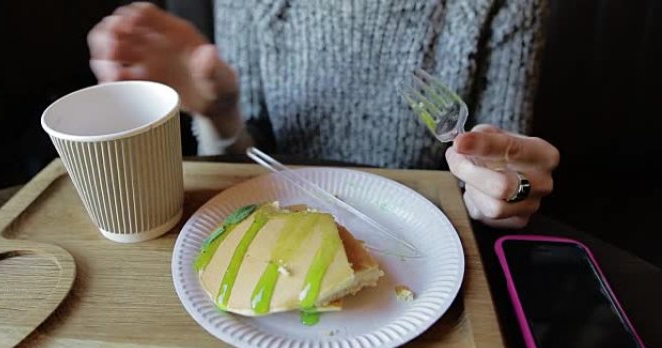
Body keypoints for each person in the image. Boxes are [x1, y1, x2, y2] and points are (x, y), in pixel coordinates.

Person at [87, 1, 559, 229]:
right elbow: (244, 173)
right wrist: (219, 113)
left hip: (425, 251)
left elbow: (497, 179)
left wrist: (495, 194)